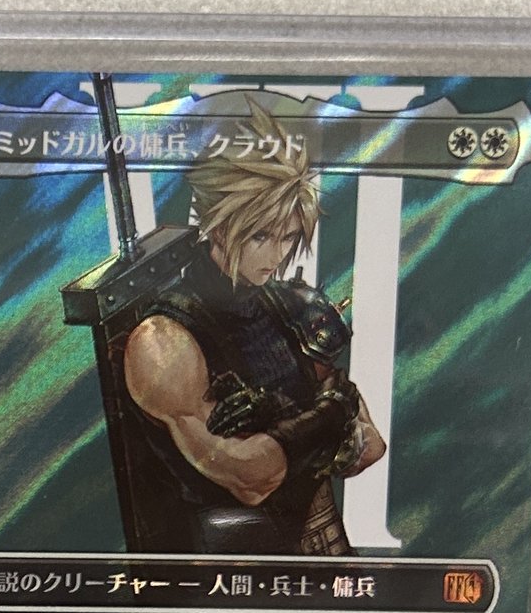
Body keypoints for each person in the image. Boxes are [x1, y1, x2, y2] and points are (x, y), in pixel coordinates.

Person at [122, 101, 384, 555]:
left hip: (327, 552)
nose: (276, 255)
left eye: (288, 237)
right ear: (219, 226)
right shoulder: (163, 342)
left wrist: (286, 419)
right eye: (261, 236)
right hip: (229, 571)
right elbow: (251, 479)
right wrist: (330, 414)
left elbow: (369, 447)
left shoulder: (291, 306)